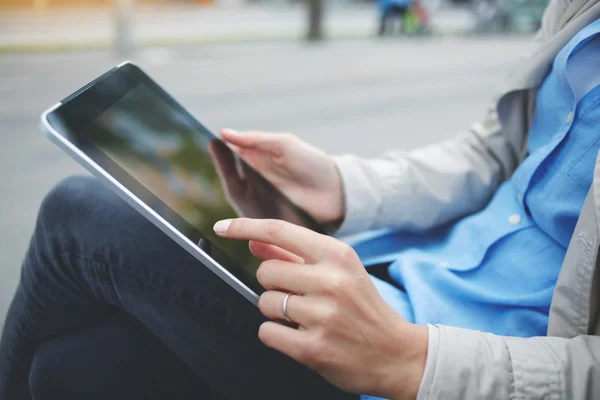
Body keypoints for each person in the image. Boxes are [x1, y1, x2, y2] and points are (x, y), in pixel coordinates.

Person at [2, 0, 600, 398]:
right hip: (392, 283)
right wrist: (339, 184)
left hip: (438, 361)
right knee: (67, 370)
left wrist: (417, 361)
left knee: (81, 214)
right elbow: (498, 151)